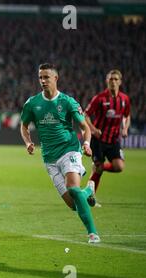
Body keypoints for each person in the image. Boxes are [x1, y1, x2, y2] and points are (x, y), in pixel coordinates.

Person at [19, 63, 100, 244]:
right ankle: (88, 190)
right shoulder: (32, 103)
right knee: (73, 204)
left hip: (69, 149)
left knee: (72, 187)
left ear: (56, 78)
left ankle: (92, 233)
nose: (43, 81)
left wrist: (86, 144)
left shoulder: (67, 102)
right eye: (40, 77)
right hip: (49, 158)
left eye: (46, 77)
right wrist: (28, 142)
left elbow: (84, 127)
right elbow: (24, 126)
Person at [84, 69, 131, 206]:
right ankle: (90, 198)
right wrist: (93, 129)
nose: (113, 82)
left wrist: (125, 127)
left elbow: (127, 115)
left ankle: (97, 167)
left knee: (119, 166)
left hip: (114, 140)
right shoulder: (99, 98)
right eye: (111, 79)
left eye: (116, 79)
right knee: (98, 169)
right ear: (107, 81)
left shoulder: (125, 99)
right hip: (98, 140)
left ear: (120, 82)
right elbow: (85, 115)